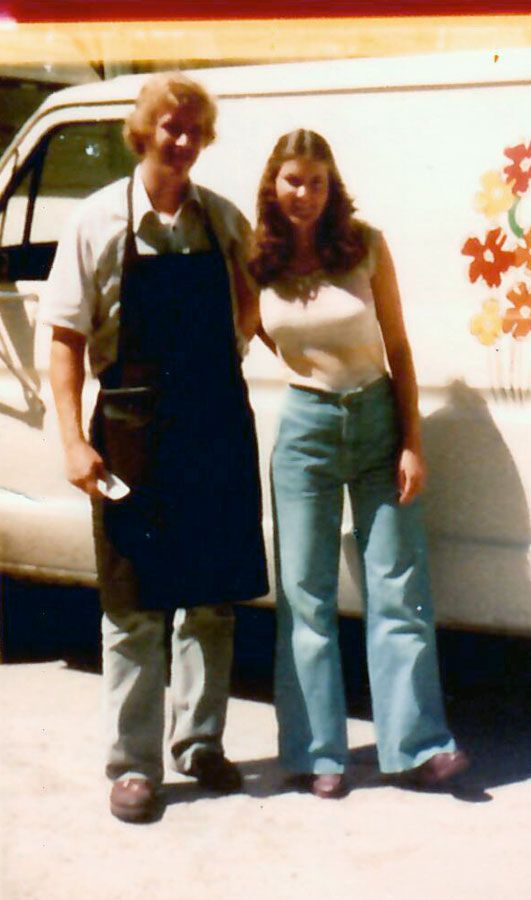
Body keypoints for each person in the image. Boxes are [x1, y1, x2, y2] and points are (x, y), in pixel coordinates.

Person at [42, 72, 269, 824]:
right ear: (144, 133)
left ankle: (199, 742)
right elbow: (66, 342)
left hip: (213, 424)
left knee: (210, 600)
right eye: (170, 128)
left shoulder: (220, 220)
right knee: (134, 605)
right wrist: (74, 440)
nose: (181, 143)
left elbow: (257, 302)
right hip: (131, 430)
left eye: (194, 132)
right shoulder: (97, 220)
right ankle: (133, 766)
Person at [249, 129, 467, 800]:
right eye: (292, 181)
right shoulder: (258, 262)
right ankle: (320, 755)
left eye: (316, 182)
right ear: (273, 186)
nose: (304, 194)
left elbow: (397, 348)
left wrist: (411, 442)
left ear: (330, 185)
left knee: (398, 586)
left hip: (375, 420)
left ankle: (419, 747)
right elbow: (249, 329)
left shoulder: (364, 246)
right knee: (304, 594)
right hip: (306, 427)